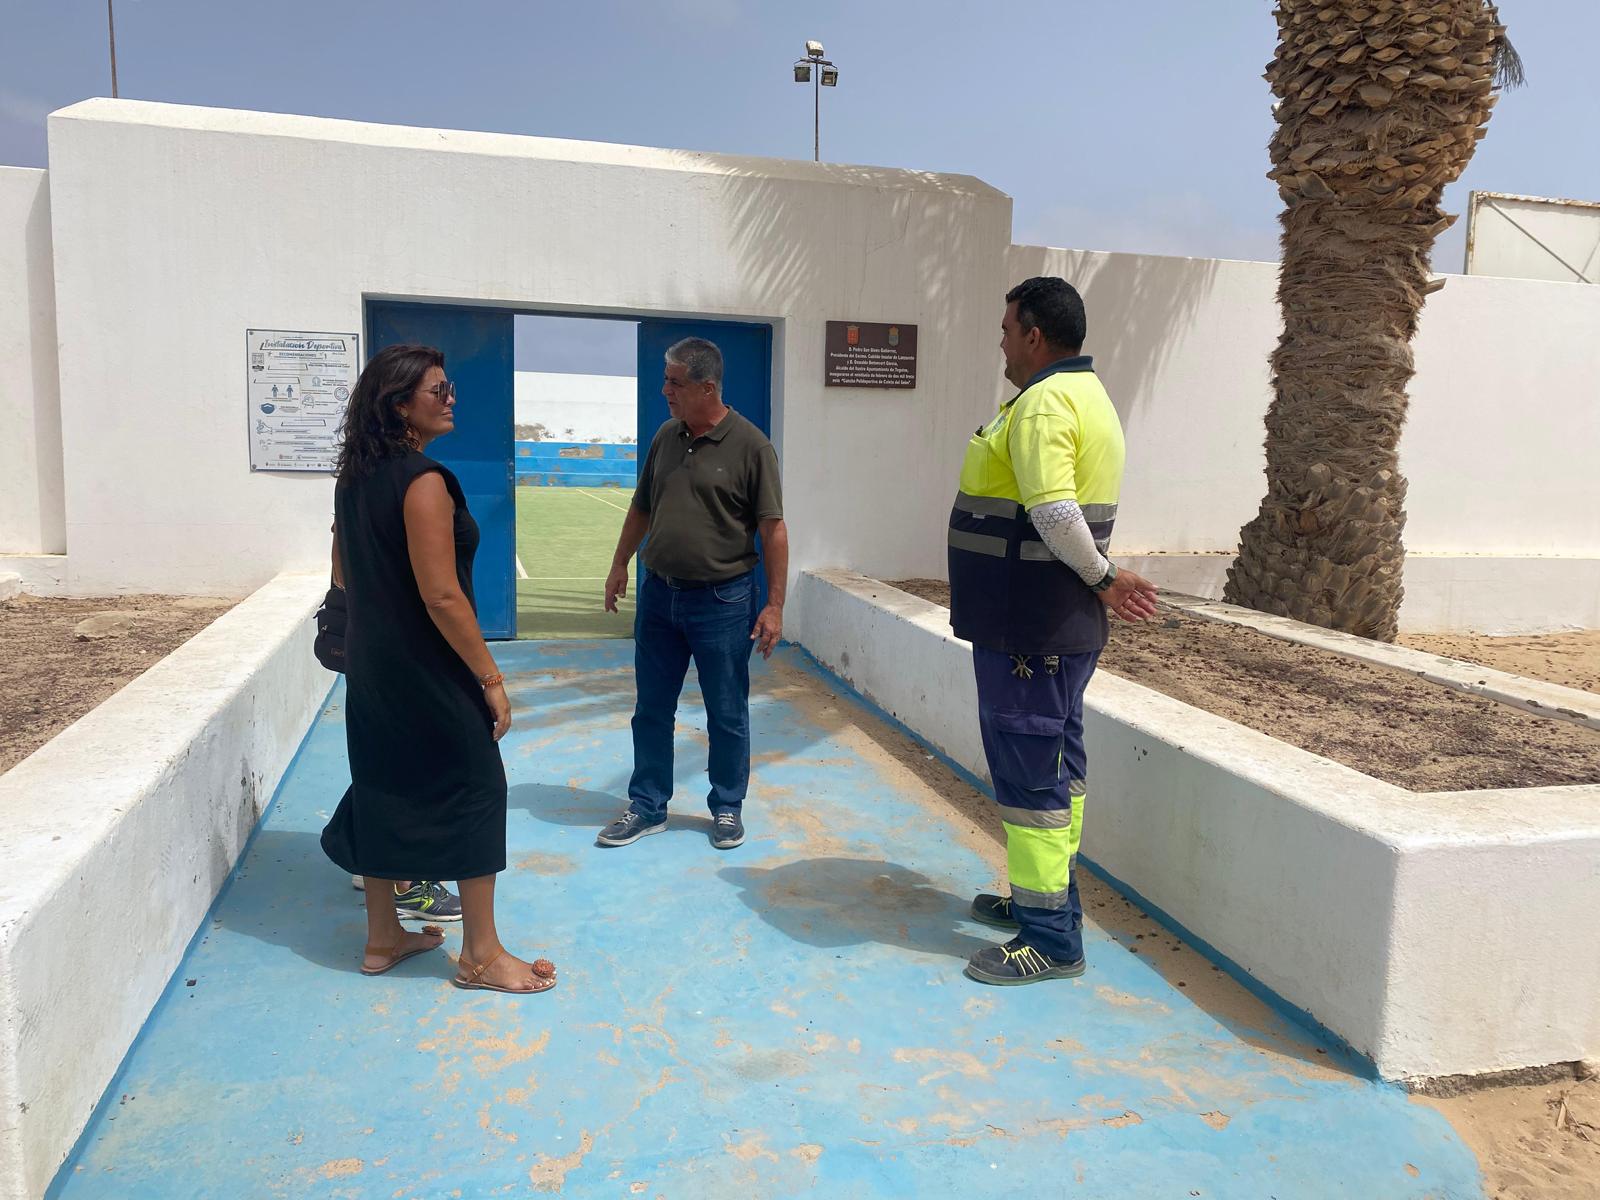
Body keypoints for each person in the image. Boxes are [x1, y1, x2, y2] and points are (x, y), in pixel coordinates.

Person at [321, 343, 555, 994]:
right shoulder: (423, 481)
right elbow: (442, 595)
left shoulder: (353, 480)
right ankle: (481, 952)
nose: (451, 399)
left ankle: (382, 937)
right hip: (428, 665)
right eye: (439, 391)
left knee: (382, 784)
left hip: (373, 664)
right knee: (479, 784)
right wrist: (490, 678)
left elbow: (340, 571)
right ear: (400, 406)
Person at [948, 277, 1160, 986]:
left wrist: (1103, 577)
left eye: (1007, 329)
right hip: (1054, 626)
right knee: (1058, 767)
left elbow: (1055, 513)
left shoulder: (1043, 404)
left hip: (1028, 628)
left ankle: (1050, 939)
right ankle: (1046, 903)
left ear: (1035, 335)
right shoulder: (1087, 396)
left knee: (1029, 776)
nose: (1002, 342)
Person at [597, 337, 787, 851]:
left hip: (722, 604)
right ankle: (647, 805)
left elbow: (772, 530)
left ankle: (727, 807)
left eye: (674, 383)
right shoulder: (666, 436)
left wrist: (774, 605)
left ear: (708, 387)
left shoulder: (752, 447)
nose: (665, 391)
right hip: (660, 596)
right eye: (666, 381)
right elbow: (641, 507)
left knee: (726, 710)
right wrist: (619, 564)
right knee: (652, 708)